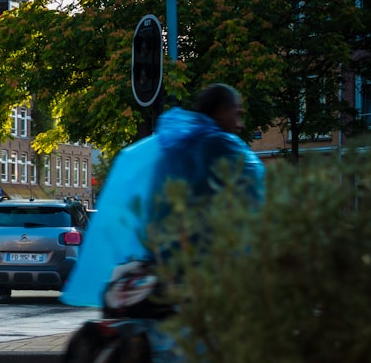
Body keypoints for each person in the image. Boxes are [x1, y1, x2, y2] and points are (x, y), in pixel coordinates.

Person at [61, 83, 265, 309]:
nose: (240, 123)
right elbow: (254, 192)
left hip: (161, 261)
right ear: (221, 111)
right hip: (202, 266)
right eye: (236, 114)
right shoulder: (221, 146)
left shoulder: (176, 144)